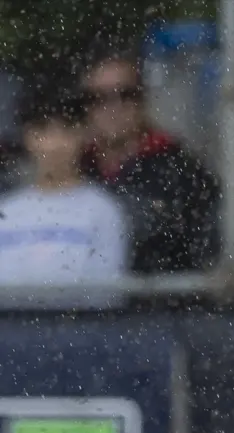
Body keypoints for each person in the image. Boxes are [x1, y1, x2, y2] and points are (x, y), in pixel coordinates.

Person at [80, 50, 218, 273]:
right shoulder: (76, 169)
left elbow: (205, 255)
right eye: (98, 98)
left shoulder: (180, 170)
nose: (112, 108)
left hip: (158, 303)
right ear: (86, 107)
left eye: (125, 95)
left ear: (142, 100)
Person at [0, 85, 128, 308]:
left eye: (66, 130)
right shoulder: (7, 210)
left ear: (83, 134)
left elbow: (107, 294)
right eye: (43, 131)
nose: (55, 144)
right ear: (28, 138)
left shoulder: (103, 210)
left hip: (81, 336)